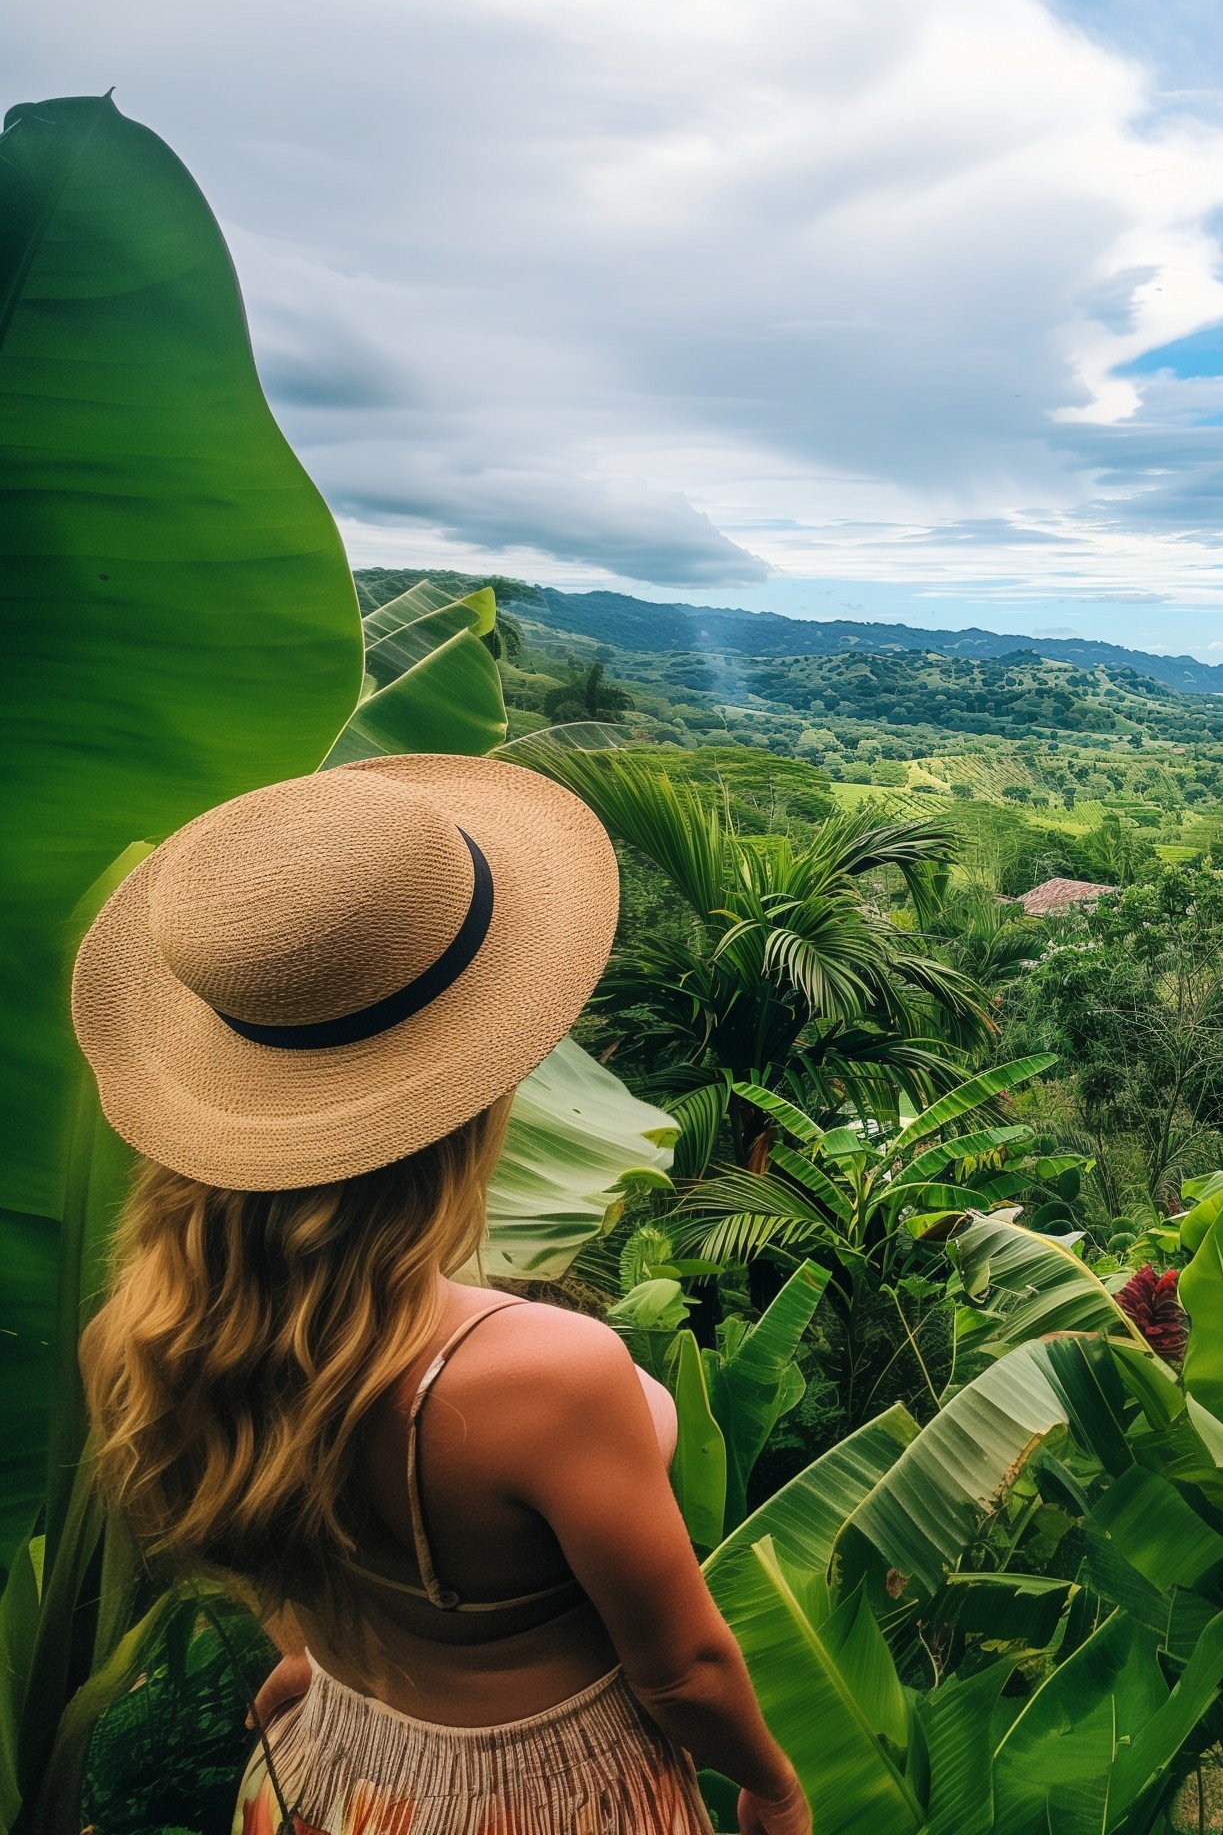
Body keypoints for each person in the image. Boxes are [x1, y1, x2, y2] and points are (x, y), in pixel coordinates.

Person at [70, 754, 809, 1835]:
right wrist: (774, 1784)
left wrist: (314, 1661)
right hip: (545, 1800)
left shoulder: (145, 1335)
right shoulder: (543, 1370)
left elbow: (269, 1528)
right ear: (471, 1096)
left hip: (325, 1773)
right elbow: (684, 1666)